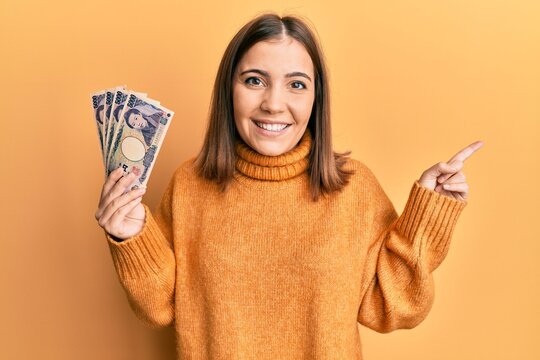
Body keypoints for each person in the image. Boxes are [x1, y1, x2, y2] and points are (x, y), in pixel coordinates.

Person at [94, 13, 483, 359]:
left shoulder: (354, 189)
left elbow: (395, 307)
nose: (274, 104)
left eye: (296, 85)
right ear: (229, 90)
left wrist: (427, 216)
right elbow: (158, 307)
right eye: (254, 80)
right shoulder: (189, 185)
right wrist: (132, 238)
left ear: (316, 97)